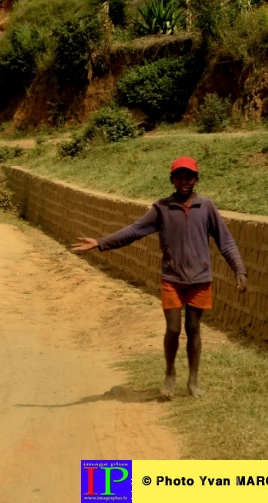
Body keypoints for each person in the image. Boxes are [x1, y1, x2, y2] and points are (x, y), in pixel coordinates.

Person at [70, 156, 247, 399]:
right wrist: (101, 243)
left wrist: (239, 270)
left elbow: (225, 242)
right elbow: (134, 231)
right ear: (172, 180)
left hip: (200, 279)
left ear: (196, 179)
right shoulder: (161, 208)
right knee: (173, 329)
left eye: (189, 176)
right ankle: (170, 374)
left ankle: (193, 382)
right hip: (172, 278)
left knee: (194, 328)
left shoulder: (206, 207)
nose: (184, 181)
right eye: (179, 176)